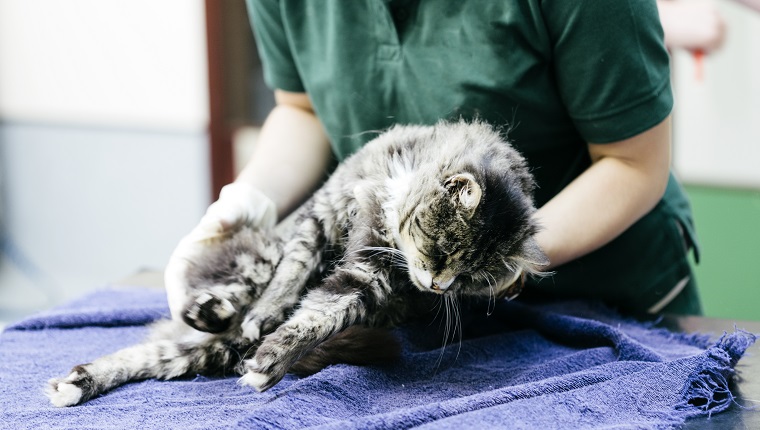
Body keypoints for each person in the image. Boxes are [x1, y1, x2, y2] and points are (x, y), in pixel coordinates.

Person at [165, 0, 704, 321]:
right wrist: (249, 199)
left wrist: (508, 253)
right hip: (430, 311)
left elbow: (634, 163)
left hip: (604, 294)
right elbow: (302, 109)